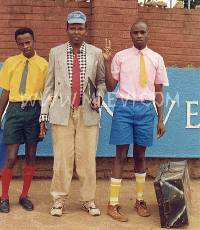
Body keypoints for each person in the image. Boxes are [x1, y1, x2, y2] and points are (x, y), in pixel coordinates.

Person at [39, 11, 106, 217]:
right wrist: (44, 114)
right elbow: (49, 86)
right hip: (62, 112)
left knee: (87, 159)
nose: (76, 31)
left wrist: (99, 97)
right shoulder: (55, 52)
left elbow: (101, 82)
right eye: (72, 28)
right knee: (62, 159)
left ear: (85, 30)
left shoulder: (96, 53)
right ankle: (58, 200)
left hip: (88, 112)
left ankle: (88, 200)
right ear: (66, 29)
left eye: (80, 28)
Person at [103, 20, 169, 222]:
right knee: (120, 155)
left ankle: (139, 200)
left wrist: (160, 119)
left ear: (148, 34)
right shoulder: (121, 57)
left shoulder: (156, 58)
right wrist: (107, 61)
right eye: (135, 32)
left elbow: (158, 91)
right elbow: (110, 87)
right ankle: (113, 203)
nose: (139, 35)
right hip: (124, 107)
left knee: (140, 156)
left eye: (142, 32)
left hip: (145, 109)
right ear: (130, 34)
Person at [0, 27, 48, 213]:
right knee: (11, 157)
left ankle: (24, 195)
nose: (25, 46)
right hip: (14, 111)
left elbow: (46, 94)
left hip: (34, 110)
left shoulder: (43, 64)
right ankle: (4, 197)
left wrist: (43, 120)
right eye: (21, 43)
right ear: (17, 44)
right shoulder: (11, 63)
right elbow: (5, 92)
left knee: (30, 155)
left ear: (34, 41)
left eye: (28, 42)